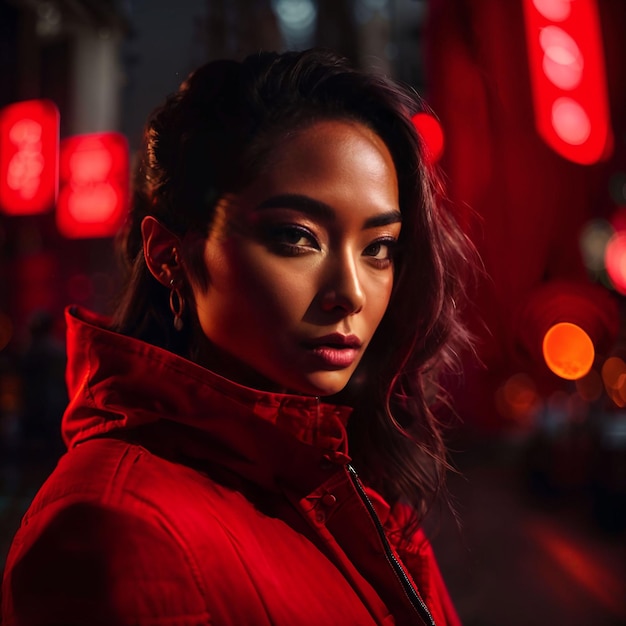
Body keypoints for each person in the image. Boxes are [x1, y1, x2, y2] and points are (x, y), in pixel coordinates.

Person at [2, 49, 471, 625]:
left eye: (378, 248)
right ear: (169, 254)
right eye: (297, 237)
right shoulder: (117, 530)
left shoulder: (354, 483)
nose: (350, 292)